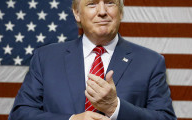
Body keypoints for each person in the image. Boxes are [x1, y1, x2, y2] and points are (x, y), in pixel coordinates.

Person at [9, 0, 176, 119]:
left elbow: (165, 118)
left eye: (110, 3)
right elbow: (20, 115)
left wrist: (114, 108)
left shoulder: (151, 62)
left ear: (121, 12)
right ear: (77, 13)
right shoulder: (45, 58)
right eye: (92, 4)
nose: (102, 11)